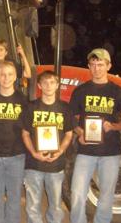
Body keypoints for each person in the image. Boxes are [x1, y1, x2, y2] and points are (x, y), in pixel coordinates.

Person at [68, 48, 121, 223]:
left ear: (108, 66)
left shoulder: (118, 92)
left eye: (100, 64)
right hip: (85, 151)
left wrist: (114, 126)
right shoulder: (80, 91)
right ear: (88, 66)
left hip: (110, 152)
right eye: (93, 65)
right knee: (77, 192)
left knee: (107, 195)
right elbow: (71, 118)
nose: (97, 69)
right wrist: (79, 133)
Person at [22, 70, 73, 223]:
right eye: (45, 82)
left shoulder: (65, 108)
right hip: (33, 164)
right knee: (32, 205)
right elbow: (25, 134)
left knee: (56, 205)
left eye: (52, 82)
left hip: (56, 165)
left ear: (57, 85)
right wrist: (33, 153)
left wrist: (60, 151)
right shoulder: (31, 107)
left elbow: (69, 134)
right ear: (39, 85)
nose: (48, 85)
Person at [0, 61, 28, 223]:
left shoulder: (22, 100)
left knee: (14, 197)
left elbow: (28, 128)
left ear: (15, 76)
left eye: (10, 74)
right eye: (2, 74)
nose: (6, 78)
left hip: (16, 155)